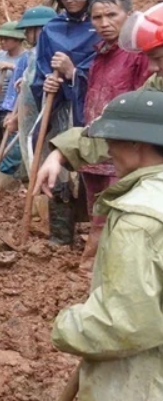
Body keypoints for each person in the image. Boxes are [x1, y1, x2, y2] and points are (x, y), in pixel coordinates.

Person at [40, 90, 163, 401]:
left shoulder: (139, 217)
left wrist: (66, 328)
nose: (107, 149)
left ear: (137, 143)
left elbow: (125, 322)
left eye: (113, 139)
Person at [76, 0, 152, 262]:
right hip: (96, 146)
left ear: (129, 16)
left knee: (113, 215)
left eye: (111, 15)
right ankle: (94, 265)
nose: (103, 22)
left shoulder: (139, 55)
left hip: (124, 150)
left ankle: (95, 266)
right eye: (97, 17)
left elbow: (145, 102)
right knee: (95, 209)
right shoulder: (100, 55)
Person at [32, 0, 103, 245]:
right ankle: (61, 235)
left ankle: (97, 234)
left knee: (96, 166)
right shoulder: (51, 29)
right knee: (58, 169)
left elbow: (104, 70)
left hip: (92, 108)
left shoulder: (100, 27)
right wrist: (46, 83)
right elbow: (40, 71)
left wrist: (75, 73)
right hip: (60, 109)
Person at [0, 6, 57, 194]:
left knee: (40, 160)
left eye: (30, 30)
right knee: (30, 157)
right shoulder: (32, 56)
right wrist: (15, 114)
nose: (27, 35)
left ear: (41, 30)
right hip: (31, 118)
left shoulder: (49, 54)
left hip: (47, 120)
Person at [0, 21, 27, 155]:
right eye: (0, 39)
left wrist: (11, 66)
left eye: (6, 39)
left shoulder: (26, 58)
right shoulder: (0, 55)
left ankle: (6, 175)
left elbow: (28, 77)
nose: (2, 42)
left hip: (10, 110)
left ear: (17, 40)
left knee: (8, 148)